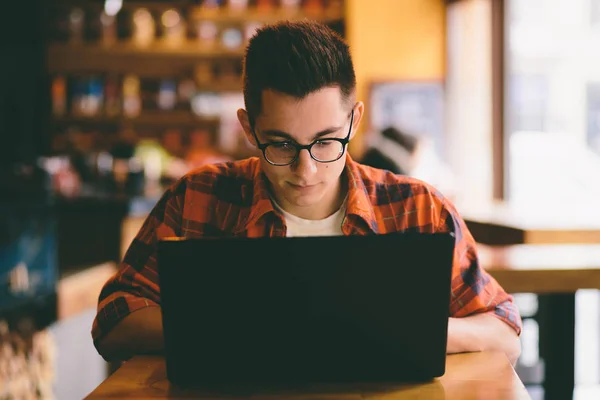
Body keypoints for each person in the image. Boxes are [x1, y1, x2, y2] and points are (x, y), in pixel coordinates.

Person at [92, 21, 522, 364]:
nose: (306, 169)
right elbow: (113, 323)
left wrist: (408, 330)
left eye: (326, 141)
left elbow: (505, 333)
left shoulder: (418, 208)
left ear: (355, 120)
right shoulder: (199, 197)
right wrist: (240, 333)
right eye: (281, 143)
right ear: (249, 128)